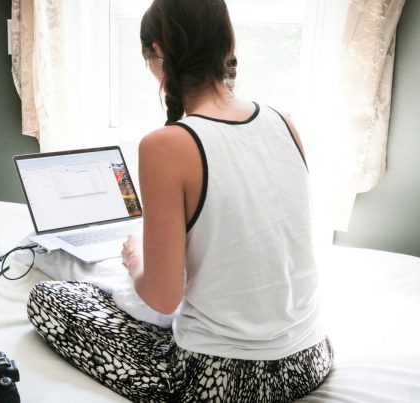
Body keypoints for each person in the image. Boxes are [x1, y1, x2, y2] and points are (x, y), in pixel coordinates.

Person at [27, 0, 333, 401]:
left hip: (221, 379)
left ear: (156, 53)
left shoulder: (167, 145)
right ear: (227, 43)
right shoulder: (283, 119)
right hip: (311, 358)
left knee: (48, 299)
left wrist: (135, 260)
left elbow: (163, 296)